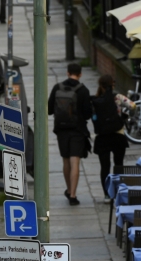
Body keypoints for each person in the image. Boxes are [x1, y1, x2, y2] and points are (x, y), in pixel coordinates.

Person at [48, 62, 92, 206]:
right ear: (80, 74)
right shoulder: (83, 90)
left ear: (67, 73)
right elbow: (87, 114)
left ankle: (68, 189)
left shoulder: (57, 88)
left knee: (66, 161)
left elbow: (49, 109)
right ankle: (73, 195)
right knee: (75, 162)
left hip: (61, 130)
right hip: (77, 130)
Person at [91, 74, 134, 203]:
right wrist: (124, 115)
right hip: (118, 135)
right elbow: (133, 106)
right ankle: (119, 192)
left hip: (102, 137)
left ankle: (107, 195)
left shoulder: (96, 100)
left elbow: (93, 117)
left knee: (104, 167)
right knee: (119, 165)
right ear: (112, 84)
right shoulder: (118, 97)